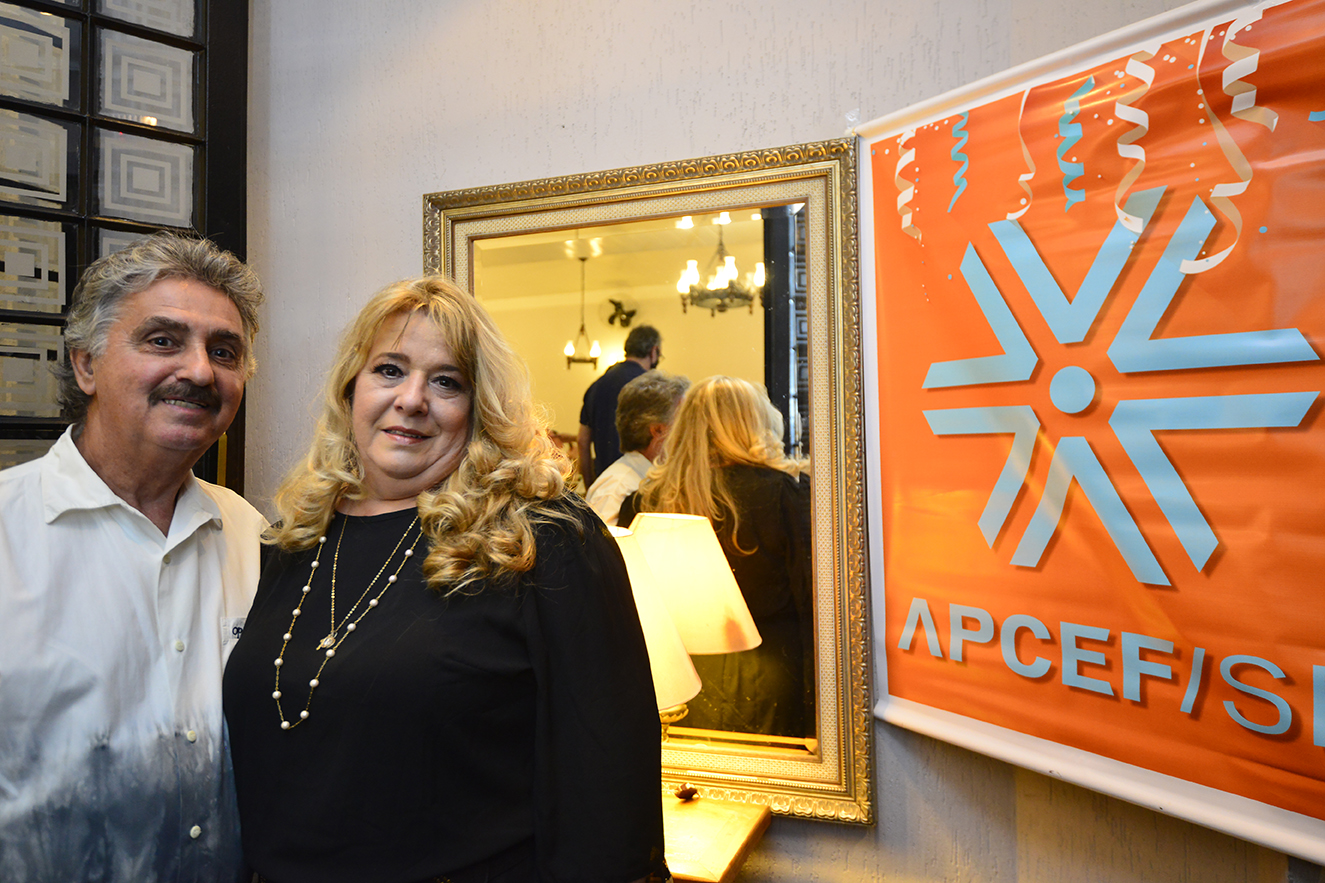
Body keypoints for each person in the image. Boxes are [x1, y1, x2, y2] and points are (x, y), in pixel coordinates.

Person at [222, 277, 665, 883]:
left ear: (480, 407)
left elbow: (608, 783)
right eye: (389, 370)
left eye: (446, 382)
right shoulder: (291, 540)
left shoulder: (545, 540)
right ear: (351, 388)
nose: (411, 399)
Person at [0, 233, 267, 883]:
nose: (199, 371)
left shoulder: (253, 536)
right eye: (163, 340)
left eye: (224, 351)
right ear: (86, 365)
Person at [620, 375, 812, 738]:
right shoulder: (782, 495)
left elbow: (626, 606)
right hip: (769, 675)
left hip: (675, 674)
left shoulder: (645, 501)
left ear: (685, 426)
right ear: (755, 423)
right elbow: (812, 602)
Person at [585, 370, 689, 527]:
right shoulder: (617, 489)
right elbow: (605, 543)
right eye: (682, 421)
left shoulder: (648, 479)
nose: (689, 431)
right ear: (657, 430)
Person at [577, 324, 661, 487]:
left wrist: (590, 487)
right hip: (641, 485)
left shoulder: (596, 386)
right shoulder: (652, 387)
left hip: (604, 483)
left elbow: (582, 441)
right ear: (653, 351)